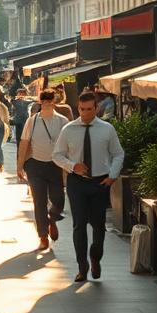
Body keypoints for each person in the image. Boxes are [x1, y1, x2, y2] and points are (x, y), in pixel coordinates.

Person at [52, 91, 124, 282]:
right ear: (78, 108)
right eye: (82, 110)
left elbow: (118, 154)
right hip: (77, 182)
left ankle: (95, 257)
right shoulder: (68, 129)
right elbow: (57, 155)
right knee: (79, 225)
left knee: (99, 225)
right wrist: (72, 166)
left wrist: (113, 175)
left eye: (89, 109)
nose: (85, 113)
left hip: (100, 182)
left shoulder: (107, 129)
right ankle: (82, 266)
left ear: (96, 108)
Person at [17, 89, 69, 250]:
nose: (46, 102)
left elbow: (70, 144)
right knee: (39, 201)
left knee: (59, 199)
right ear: (40, 101)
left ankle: (52, 218)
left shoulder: (63, 121)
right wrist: (19, 166)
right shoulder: (32, 121)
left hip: (56, 166)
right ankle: (43, 236)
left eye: (49, 99)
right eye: (43, 99)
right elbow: (24, 143)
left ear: (54, 101)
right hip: (35, 166)